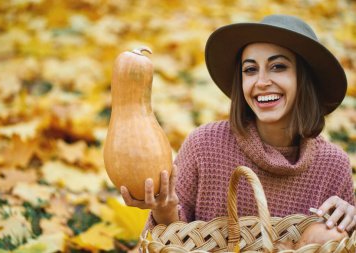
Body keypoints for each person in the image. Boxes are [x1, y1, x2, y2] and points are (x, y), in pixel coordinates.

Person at [120, 14, 356, 233]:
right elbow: (168, 241)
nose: (262, 81)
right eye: (250, 69)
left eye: (278, 67)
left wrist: (352, 223)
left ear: (304, 79)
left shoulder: (333, 166)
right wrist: (163, 209)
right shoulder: (204, 145)